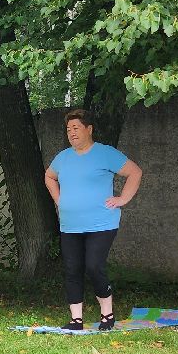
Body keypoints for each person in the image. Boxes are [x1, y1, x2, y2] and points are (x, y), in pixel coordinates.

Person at [44, 108, 143, 331]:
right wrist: (60, 200)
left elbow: (135, 172)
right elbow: (49, 176)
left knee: (94, 266)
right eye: (68, 129)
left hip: (102, 223)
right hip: (70, 225)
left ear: (89, 129)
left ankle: (107, 315)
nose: (72, 133)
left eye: (76, 128)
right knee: (72, 269)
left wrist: (123, 199)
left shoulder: (105, 153)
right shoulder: (63, 157)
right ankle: (76, 320)